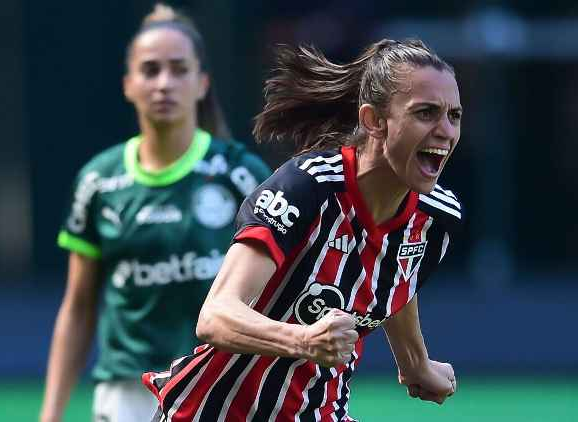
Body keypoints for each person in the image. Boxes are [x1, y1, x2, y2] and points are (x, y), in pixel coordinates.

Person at [144, 38, 463, 421]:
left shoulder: (435, 216)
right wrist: (305, 339)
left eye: (454, 116)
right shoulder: (307, 186)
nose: (445, 130)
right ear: (374, 121)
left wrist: (416, 363)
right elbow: (216, 316)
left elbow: (394, 276)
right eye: (426, 113)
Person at [39, 4, 272, 422]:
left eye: (179, 69)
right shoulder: (97, 181)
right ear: (128, 84)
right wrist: (50, 413)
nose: (164, 83)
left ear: (202, 83)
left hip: (220, 387)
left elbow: (278, 290)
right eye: (150, 70)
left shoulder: (241, 175)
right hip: (127, 395)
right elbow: (78, 306)